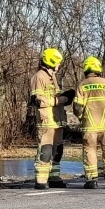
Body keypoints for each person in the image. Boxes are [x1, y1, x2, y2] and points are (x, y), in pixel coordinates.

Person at [73, 56, 105, 189]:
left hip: (89, 126)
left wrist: (81, 117)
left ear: (86, 69)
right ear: (99, 68)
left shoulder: (82, 85)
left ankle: (91, 180)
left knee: (90, 151)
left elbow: (77, 107)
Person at [31, 48, 70, 189]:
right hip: (46, 121)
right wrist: (59, 100)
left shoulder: (52, 77)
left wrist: (66, 97)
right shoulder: (39, 77)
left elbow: (54, 97)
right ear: (51, 62)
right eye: (58, 62)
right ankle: (41, 180)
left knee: (57, 151)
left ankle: (54, 177)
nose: (59, 65)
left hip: (57, 121)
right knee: (45, 150)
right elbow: (38, 100)